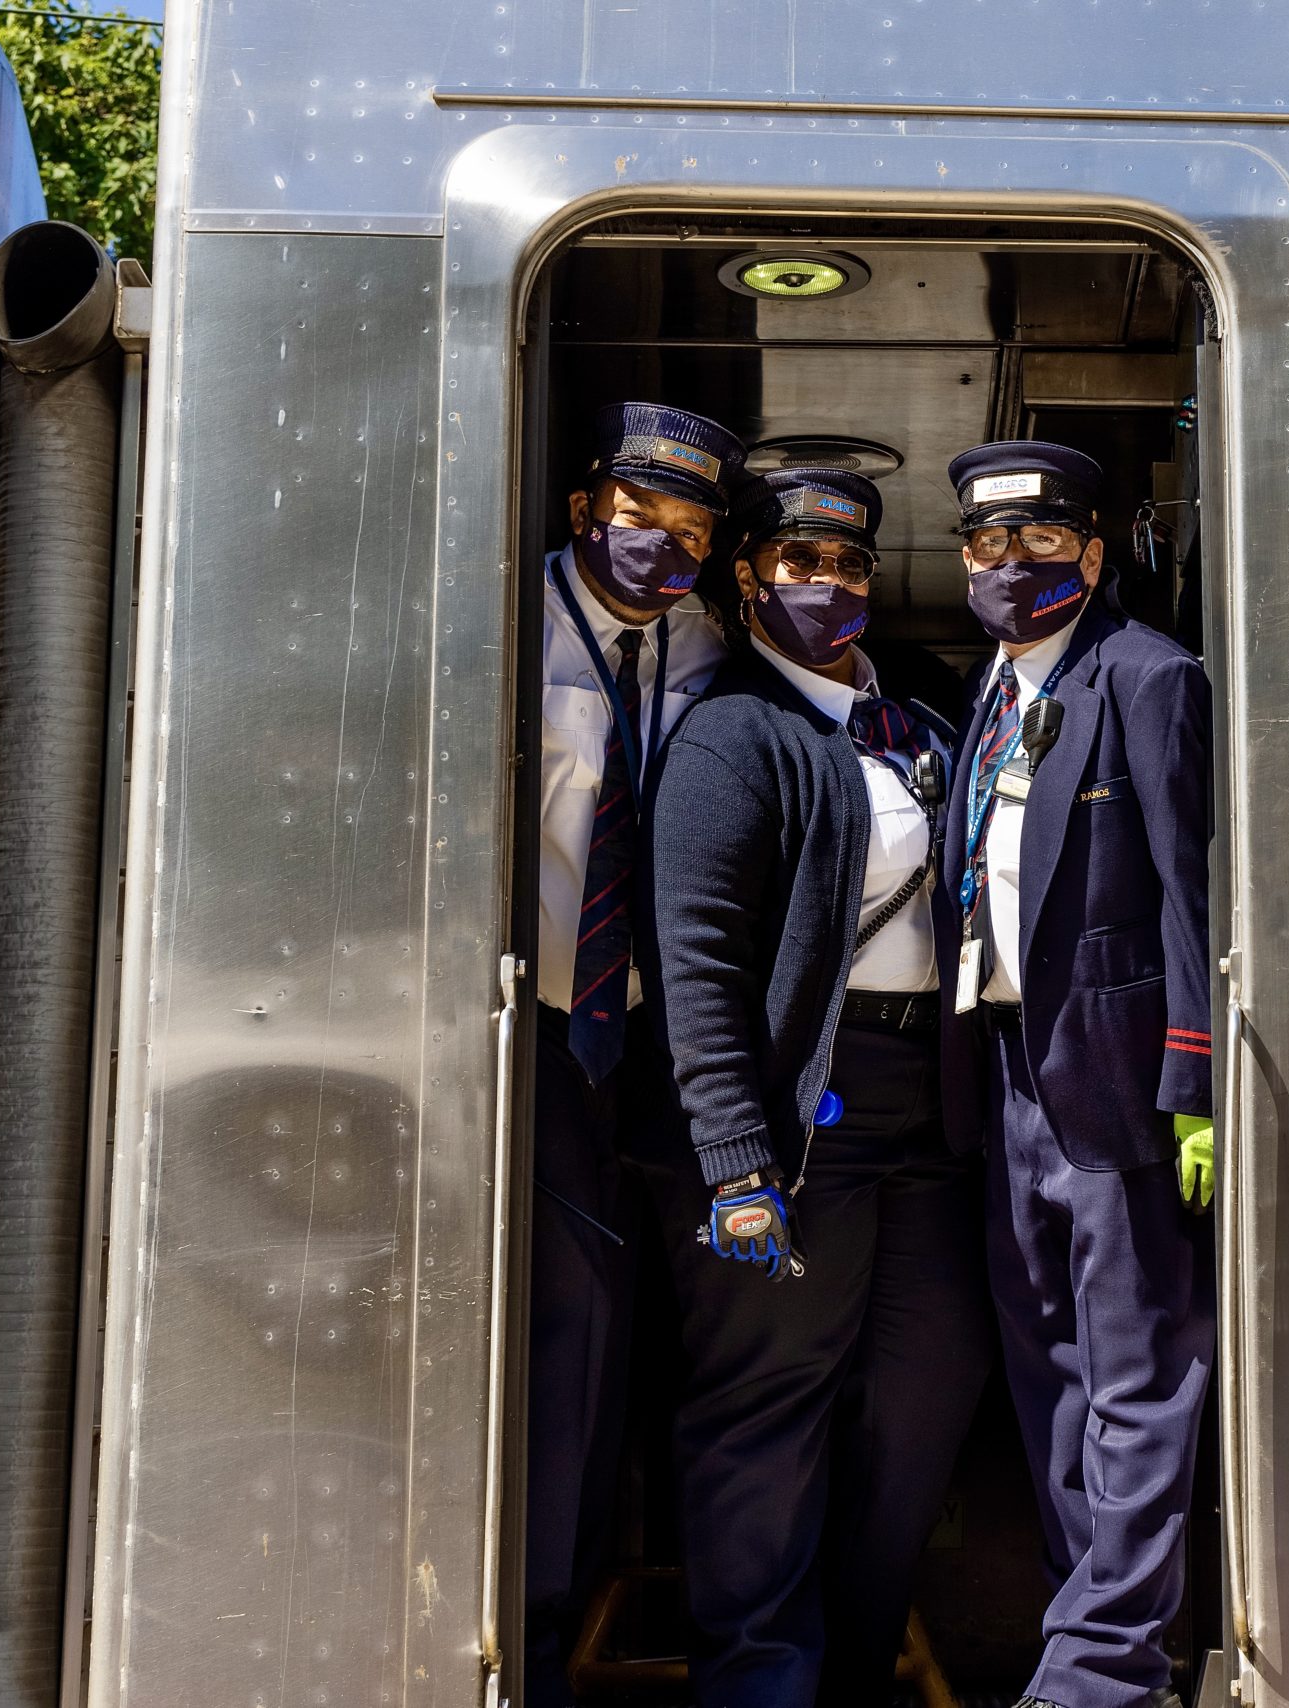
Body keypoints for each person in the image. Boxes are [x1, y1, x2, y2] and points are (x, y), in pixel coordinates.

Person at [645, 467, 992, 1706]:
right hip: (800, 1114)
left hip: (933, 1111)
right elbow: (695, 963)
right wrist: (734, 1157)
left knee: (928, 1387)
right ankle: (759, 1677)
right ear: (746, 580)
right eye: (801, 564)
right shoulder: (731, 733)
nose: (831, 586)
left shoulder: (927, 710)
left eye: (850, 566)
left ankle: (853, 1663)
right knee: (767, 1402)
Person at [938, 440, 1214, 1708]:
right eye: (988, 545)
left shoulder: (1148, 679)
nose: (1011, 565)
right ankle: (1086, 1624)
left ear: (1094, 553)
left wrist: (1192, 1077)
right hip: (1002, 1070)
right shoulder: (988, 692)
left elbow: (1187, 889)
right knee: (1046, 1363)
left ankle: (1105, 1665)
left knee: (1136, 1370)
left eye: (1041, 540)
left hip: (1110, 1080)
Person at [529, 401, 741, 1705]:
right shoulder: (509, 621)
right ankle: (540, 1639)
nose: (659, 545)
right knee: (568, 1334)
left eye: (689, 527)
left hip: (667, 1041)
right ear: (581, 510)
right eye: (637, 512)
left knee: (668, 1332)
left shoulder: (705, 647)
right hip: (547, 1028)